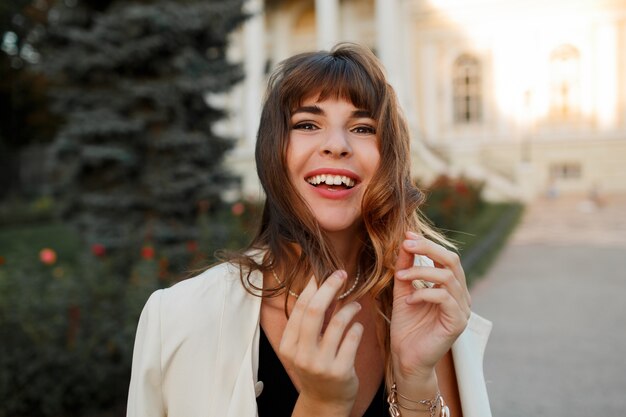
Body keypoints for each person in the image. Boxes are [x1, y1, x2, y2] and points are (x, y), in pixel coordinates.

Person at [127, 43, 492, 417]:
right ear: (274, 151)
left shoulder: (427, 307)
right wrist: (323, 404)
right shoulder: (177, 320)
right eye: (307, 124)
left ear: (389, 158)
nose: (337, 145)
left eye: (363, 127)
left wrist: (415, 378)